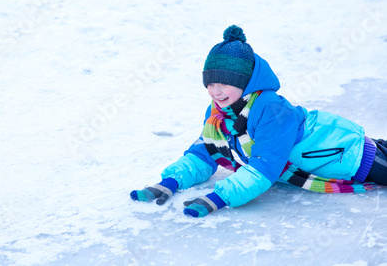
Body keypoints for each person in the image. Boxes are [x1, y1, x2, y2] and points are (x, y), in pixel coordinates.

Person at [130, 25, 387, 218]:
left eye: (224, 83)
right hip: (334, 158)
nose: (216, 91)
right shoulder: (221, 112)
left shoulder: (271, 109)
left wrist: (219, 197)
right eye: (210, 83)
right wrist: (169, 182)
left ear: (246, 83)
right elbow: (205, 151)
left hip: (353, 156)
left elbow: (266, 165)